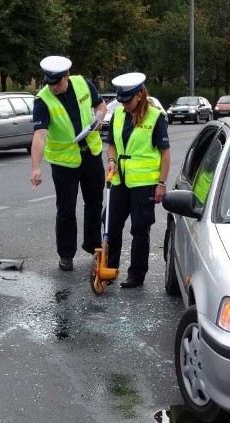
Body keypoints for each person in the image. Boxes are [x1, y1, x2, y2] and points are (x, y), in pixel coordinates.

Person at [30, 55, 107, 272]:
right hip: (63, 162)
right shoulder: (42, 100)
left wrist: (99, 119)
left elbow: (101, 106)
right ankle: (66, 254)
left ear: (67, 76)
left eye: (57, 82)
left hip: (91, 154)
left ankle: (93, 245)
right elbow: (39, 135)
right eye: (49, 83)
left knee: (95, 202)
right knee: (66, 209)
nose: (53, 87)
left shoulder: (83, 83)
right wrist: (35, 167)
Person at [105, 72, 171, 288]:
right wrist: (112, 160)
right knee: (111, 226)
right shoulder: (119, 115)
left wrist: (161, 183)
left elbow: (165, 153)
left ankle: (136, 275)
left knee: (139, 230)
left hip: (144, 185)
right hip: (120, 181)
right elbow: (112, 144)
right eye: (121, 100)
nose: (124, 104)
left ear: (139, 96)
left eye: (127, 100)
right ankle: (110, 269)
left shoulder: (155, 117)